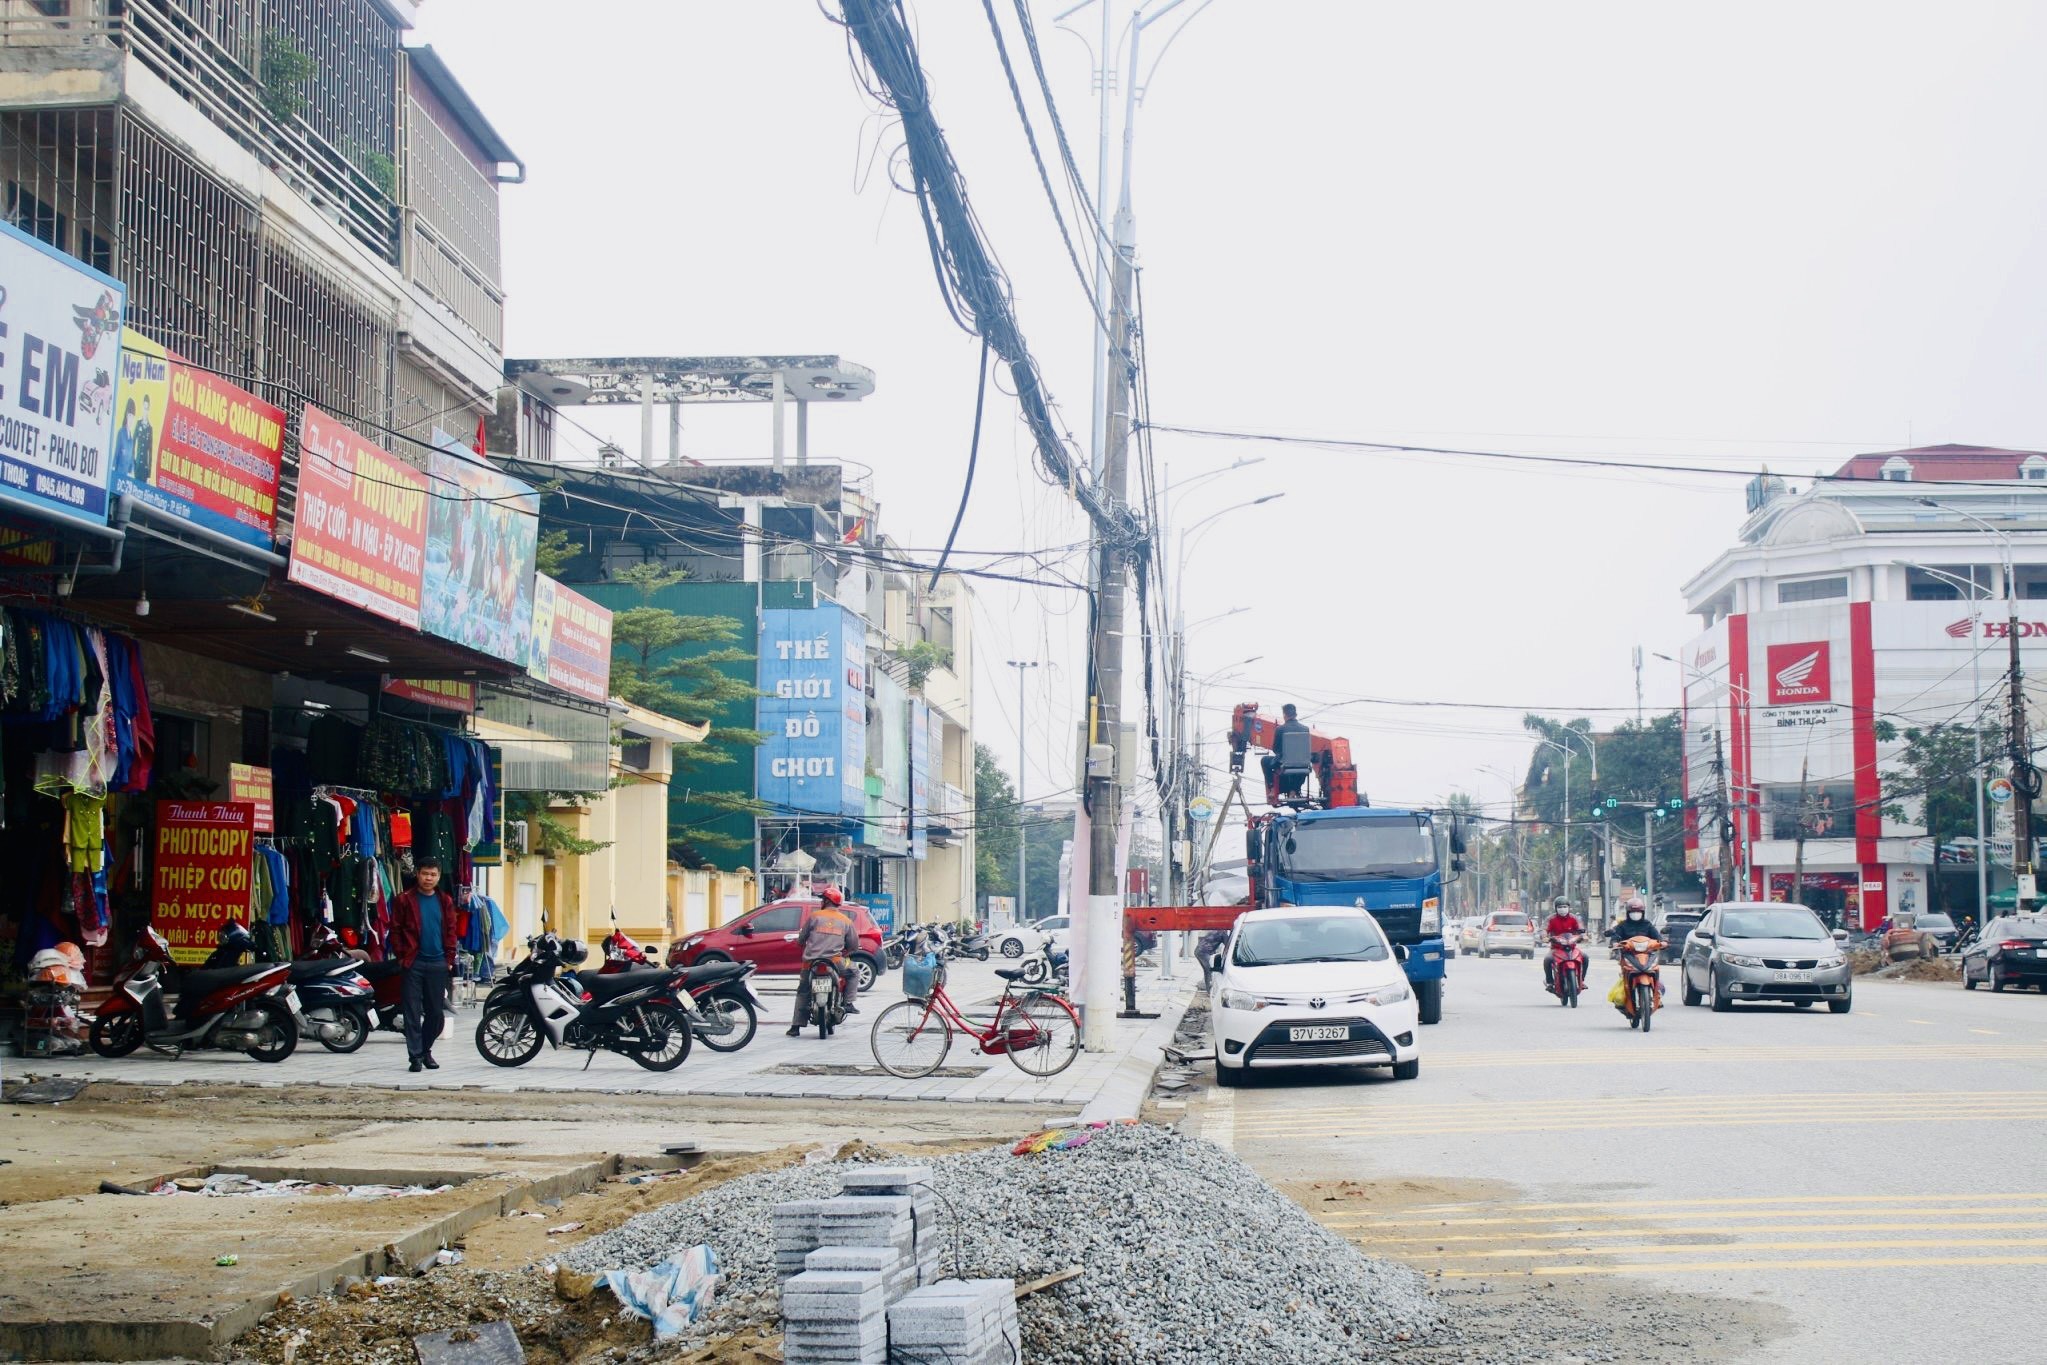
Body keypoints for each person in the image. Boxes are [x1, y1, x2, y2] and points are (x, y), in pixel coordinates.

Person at [391, 857, 459, 1072]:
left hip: (438, 963)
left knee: (436, 1013)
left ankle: (425, 1049)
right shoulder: (404, 900)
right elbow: (395, 930)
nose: (428, 878)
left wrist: (449, 959)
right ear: (417, 874)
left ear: (438, 876)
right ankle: (415, 1058)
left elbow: (451, 931)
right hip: (414, 962)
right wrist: (402, 957)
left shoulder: (445, 900)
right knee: (412, 1011)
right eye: (425, 874)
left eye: (433, 874)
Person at [786, 884, 859, 1037]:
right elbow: (853, 945)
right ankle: (848, 1003)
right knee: (854, 971)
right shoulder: (846, 921)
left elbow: (801, 939)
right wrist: (845, 951)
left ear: (826, 901)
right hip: (836, 961)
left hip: (810, 963)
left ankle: (796, 1027)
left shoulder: (814, 917)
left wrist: (803, 944)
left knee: (803, 991)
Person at [1543, 899, 1582, 991]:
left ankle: (1582, 980)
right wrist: (1544, 936)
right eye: (1560, 907)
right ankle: (1550, 982)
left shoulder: (1574, 918)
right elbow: (1544, 929)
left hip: (1572, 948)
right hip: (1556, 948)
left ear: (1569, 908)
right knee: (1547, 959)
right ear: (1556, 909)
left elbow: (1581, 928)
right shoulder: (1551, 919)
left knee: (1585, 957)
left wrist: (1583, 936)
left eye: (1565, 907)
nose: (1562, 909)